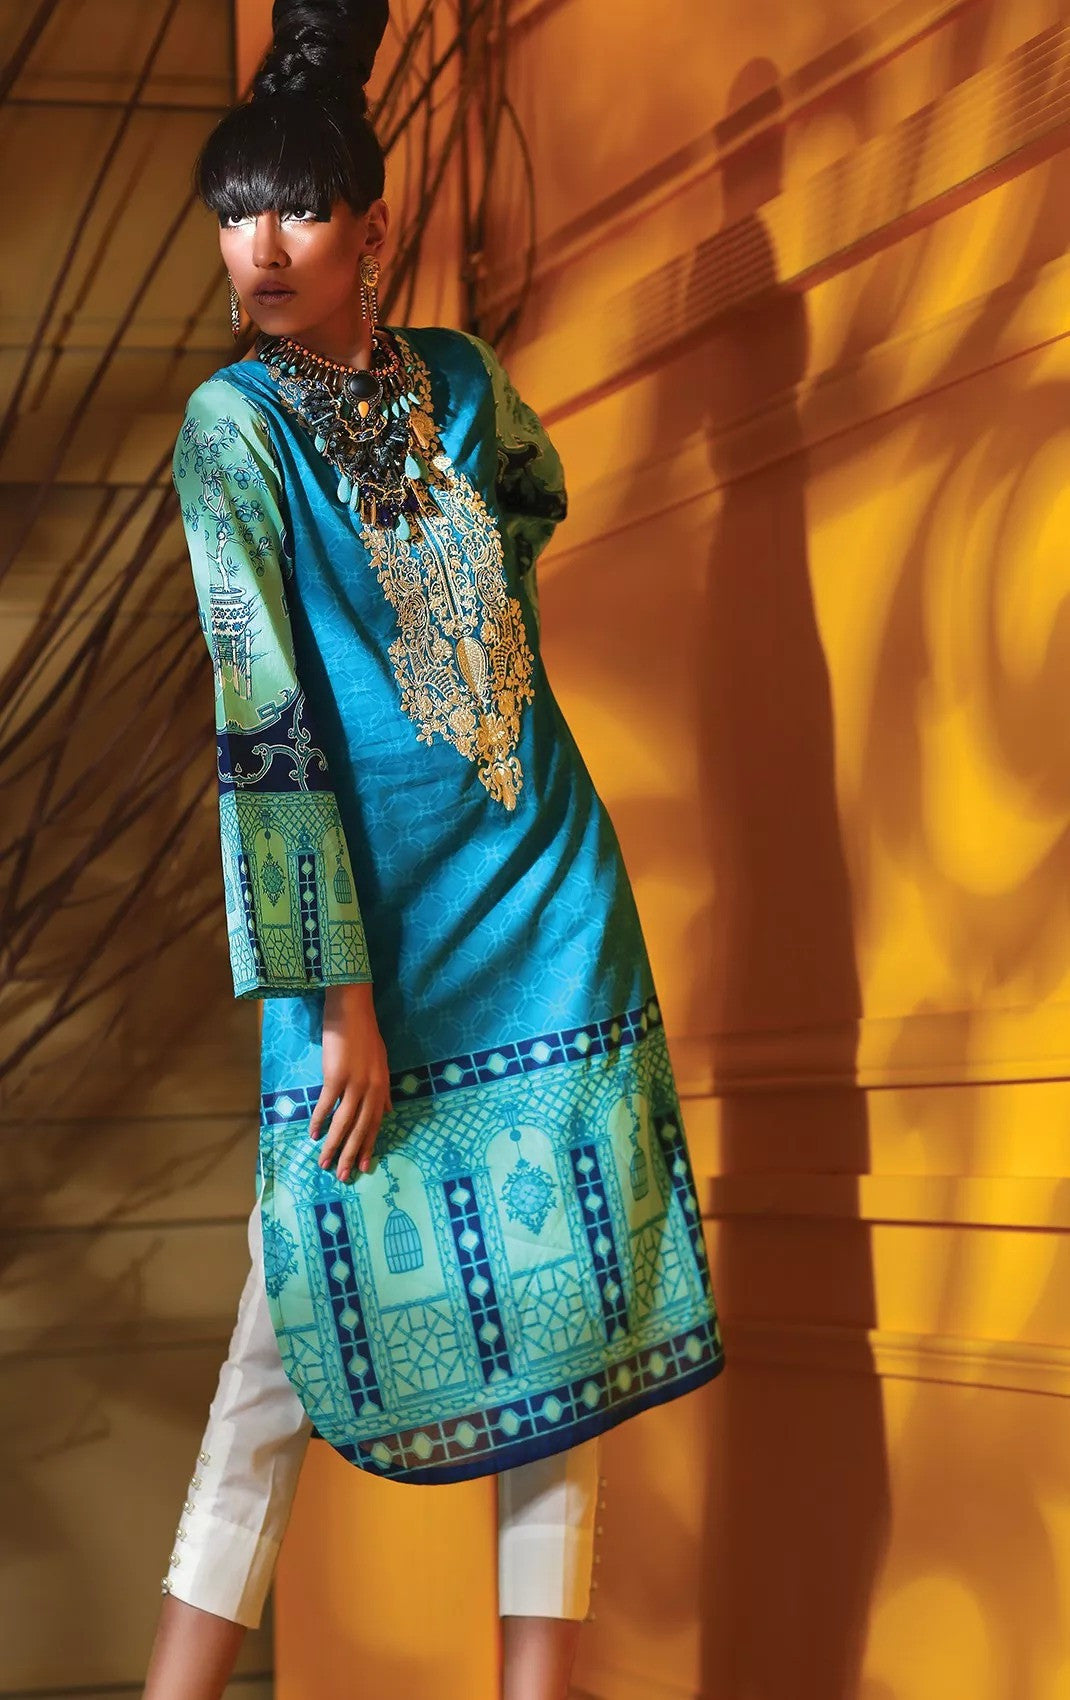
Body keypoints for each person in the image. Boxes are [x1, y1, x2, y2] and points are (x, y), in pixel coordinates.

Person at [143, 3, 724, 1697]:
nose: (258, 247)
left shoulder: (463, 386)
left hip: (543, 898)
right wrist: (337, 1002)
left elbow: (522, 511)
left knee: (569, 1330)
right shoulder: (231, 432)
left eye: (298, 209)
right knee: (278, 1357)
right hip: (370, 944)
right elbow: (264, 721)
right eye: (235, 212)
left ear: (374, 230)